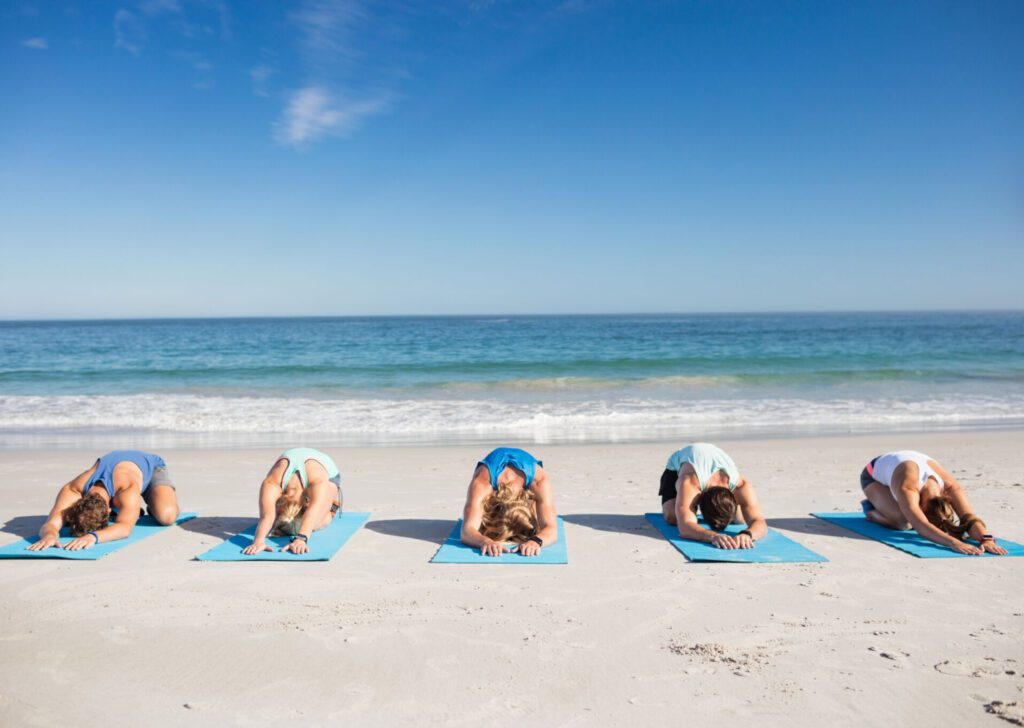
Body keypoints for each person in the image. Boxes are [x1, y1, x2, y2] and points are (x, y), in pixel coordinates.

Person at [859, 450, 1007, 555]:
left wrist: (986, 539)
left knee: (908, 516)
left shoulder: (951, 487)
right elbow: (921, 526)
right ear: (921, 506)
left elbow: (968, 517)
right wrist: (954, 542)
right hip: (873, 475)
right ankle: (871, 509)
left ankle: (886, 503)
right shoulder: (908, 488)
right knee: (903, 523)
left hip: (901, 466)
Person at [27, 450, 180, 551]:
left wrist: (93, 537)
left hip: (151, 467)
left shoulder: (127, 488)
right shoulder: (73, 490)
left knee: (167, 516)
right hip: (120, 476)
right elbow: (51, 524)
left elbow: (124, 528)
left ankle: (150, 503)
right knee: (128, 508)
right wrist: (49, 535)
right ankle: (129, 510)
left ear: (108, 510)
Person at [659, 442, 767, 549]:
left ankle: (689, 507)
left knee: (740, 520)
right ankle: (689, 506)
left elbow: (759, 521)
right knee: (673, 518)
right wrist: (712, 536)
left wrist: (748, 534)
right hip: (678, 465)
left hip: (713, 457)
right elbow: (684, 527)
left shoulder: (741, 485)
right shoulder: (689, 483)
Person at [242, 448, 342, 556]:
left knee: (317, 522)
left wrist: (300, 539)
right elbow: (267, 516)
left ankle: (330, 508)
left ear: (307, 503)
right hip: (299, 466)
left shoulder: (318, 482)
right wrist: (258, 541)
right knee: (284, 523)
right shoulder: (271, 483)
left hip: (330, 475)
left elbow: (311, 515)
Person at [460, 447, 558, 557]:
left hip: (528, 473)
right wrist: (485, 541)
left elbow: (552, 530)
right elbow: (466, 531)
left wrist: (535, 541)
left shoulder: (538, 480)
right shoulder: (483, 483)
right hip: (491, 473)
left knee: (537, 522)